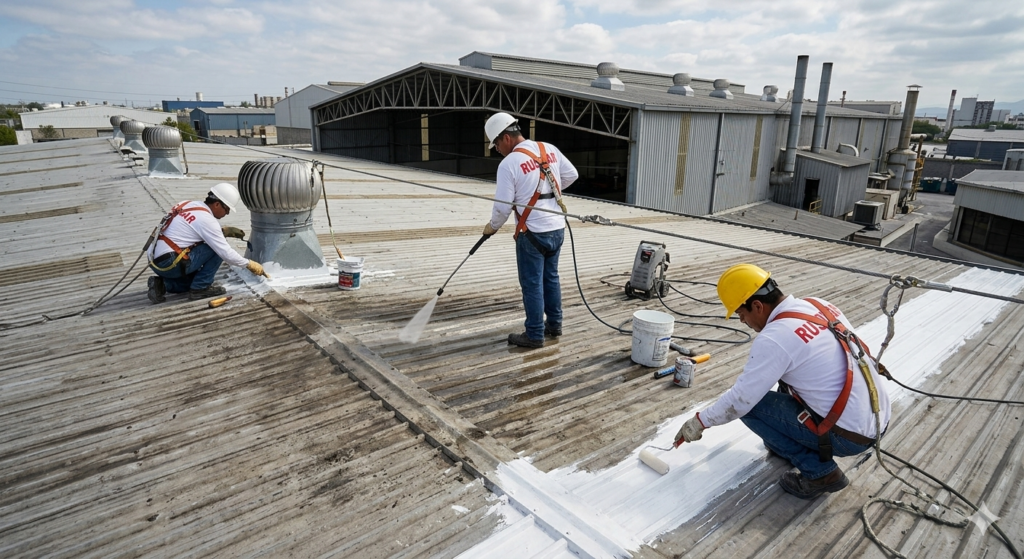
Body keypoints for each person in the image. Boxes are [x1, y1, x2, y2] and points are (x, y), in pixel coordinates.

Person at [674, 264, 891, 499]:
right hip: (877, 419)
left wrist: (700, 422)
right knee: (782, 383)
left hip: (848, 437)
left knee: (751, 406)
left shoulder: (775, 337)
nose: (742, 321)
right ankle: (790, 438)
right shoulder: (817, 305)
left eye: (740, 313)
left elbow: (741, 400)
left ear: (757, 306)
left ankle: (821, 473)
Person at [482, 112, 579, 349]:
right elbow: (571, 175)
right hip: (557, 228)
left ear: (506, 138)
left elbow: (503, 208)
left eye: (496, 145)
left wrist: (492, 227)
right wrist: (550, 194)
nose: (497, 150)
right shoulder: (549, 149)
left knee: (532, 283)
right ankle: (554, 325)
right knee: (551, 277)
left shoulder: (509, 164)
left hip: (532, 233)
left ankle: (535, 334)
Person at [147, 182, 269, 303]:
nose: (227, 213)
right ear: (217, 204)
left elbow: (190, 228)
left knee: (192, 281)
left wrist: (221, 231)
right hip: (170, 263)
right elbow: (225, 253)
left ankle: (162, 284)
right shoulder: (208, 220)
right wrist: (249, 264)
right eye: (227, 209)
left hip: (154, 260)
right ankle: (201, 288)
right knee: (216, 249)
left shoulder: (187, 204)